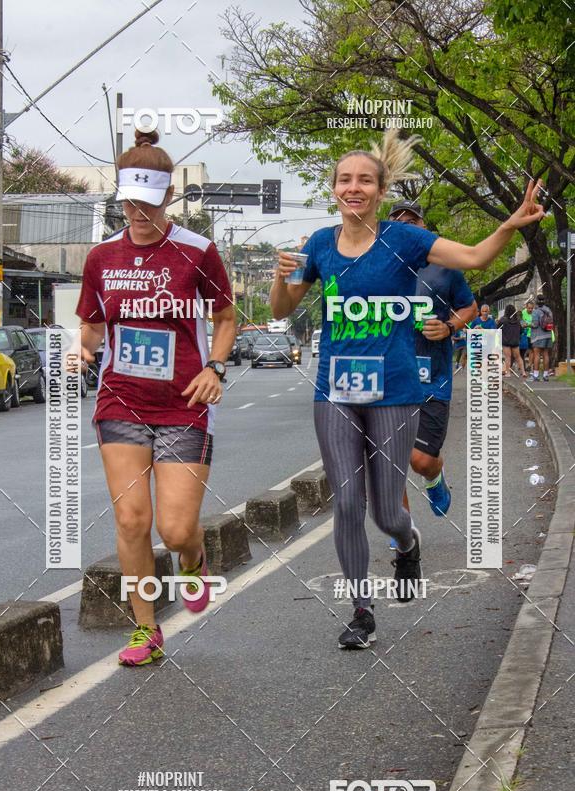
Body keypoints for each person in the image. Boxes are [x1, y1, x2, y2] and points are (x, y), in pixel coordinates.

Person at [270, 129, 544, 650]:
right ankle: (360, 610)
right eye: (345, 180)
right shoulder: (320, 245)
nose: (354, 188)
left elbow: (475, 258)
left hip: (396, 390)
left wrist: (509, 224)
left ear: (380, 190)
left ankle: (408, 541)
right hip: (335, 389)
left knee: (386, 511)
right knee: (347, 502)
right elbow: (281, 310)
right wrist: (282, 277)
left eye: (365, 181)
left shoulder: (406, 241)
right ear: (334, 188)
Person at [76, 129, 236, 666]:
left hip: (184, 404)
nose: (138, 210)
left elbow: (225, 317)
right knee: (131, 521)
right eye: (130, 200)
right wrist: (83, 347)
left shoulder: (197, 251)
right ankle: (145, 630)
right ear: (119, 195)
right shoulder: (101, 257)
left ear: (168, 195)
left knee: (175, 528)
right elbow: (94, 324)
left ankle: (192, 561)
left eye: (149, 199)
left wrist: (215, 365)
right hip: (120, 399)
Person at [388, 200, 477, 519]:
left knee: (420, 460)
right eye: (398, 222)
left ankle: (435, 477)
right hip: (387, 380)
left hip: (432, 379)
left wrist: (450, 326)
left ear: (424, 227)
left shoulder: (444, 267)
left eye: (412, 221)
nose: (406, 227)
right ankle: (403, 537)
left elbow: (470, 307)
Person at [529, 294, 554, 382]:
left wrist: (527, 324)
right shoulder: (548, 310)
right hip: (548, 335)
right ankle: (545, 375)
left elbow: (535, 324)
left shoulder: (536, 311)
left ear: (536, 301)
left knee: (537, 355)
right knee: (546, 354)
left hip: (538, 336)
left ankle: (535, 376)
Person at [497, 304, 526, 376]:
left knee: (508, 357)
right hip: (515, 341)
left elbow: (497, 329)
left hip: (506, 341)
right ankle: (523, 372)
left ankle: (508, 373)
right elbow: (521, 330)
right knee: (518, 357)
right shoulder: (517, 321)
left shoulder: (503, 320)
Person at [520, 299, 534, 370]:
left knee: (531, 350)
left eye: (531, 308)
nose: (530, 309)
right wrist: (524, 324)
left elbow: (534, 324)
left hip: (532, 334)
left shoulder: (534, 313)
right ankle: (522, 365)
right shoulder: (523, 312)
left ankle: (530, 365)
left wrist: (528, 325)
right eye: (529, 308)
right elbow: (521, 322)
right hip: (524, 334)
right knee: (524, 350)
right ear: (526, 307)